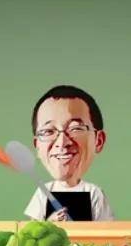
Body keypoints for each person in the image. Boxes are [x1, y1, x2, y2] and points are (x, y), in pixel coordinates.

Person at [24, 85, 114, 224]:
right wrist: (50, 222)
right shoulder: (44, 191)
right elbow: (33, 227)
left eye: (75, 128)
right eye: (48, 131)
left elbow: (106, 230)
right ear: (37, 146)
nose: (62, 142)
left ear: (98, 140)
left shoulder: (93, 192)